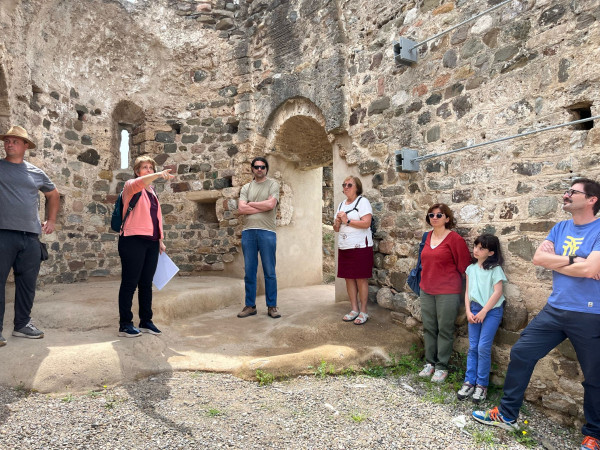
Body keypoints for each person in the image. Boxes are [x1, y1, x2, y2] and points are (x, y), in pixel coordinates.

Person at [473, 178, 600, 450]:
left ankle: (594, 435)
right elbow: (539, 260)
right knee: (521, 352)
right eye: (566, 191)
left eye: (573, 192)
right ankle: (507, 415)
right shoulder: (560, 227)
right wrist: (578, 261)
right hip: (555, 310)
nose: (565, 195)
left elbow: (591, 270)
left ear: (592, 200)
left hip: (591, 313)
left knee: (595, 376)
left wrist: (578, 264)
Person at [0, 126, 60, 345]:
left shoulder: (36, 172)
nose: (9, 144)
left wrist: (51, 220)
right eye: (7, 140)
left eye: (15, 141)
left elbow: (53, 194)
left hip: (31, 236)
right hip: (3, 234)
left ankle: (22, 325)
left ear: (26, 146)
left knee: (27, 283)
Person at [117, 155, 174, 337]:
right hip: (132, 239)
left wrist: (160, 240)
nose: (149, 170)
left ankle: (146, 321)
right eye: (145, 167)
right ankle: (125, 324)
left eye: (151, 167)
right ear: (137, 171)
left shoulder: (152, 192)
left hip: (151, 241)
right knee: (129, 283)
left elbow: (155, 218)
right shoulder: (131, 186)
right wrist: (158, 174)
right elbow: (142, 182)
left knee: (146, 284)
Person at [418, 203, 471, 382]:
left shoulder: (454, 239)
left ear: (447, 218)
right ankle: (429, 363)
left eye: (439, 215)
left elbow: (465, 268)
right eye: (431, 215)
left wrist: (468, 294)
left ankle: (442, 366)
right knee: (429, 327)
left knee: (445, 329)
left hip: (448, 291)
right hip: (426, 289)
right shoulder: (426, 236)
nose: (434, 218)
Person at [457, 234, 506, 403]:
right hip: (474, 309)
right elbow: (467, 292)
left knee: (483, 347)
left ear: (491, 253)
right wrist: (468, 311)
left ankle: (481, 385)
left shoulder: (495, 269)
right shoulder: (471, 268)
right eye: (476, 246)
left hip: (491, 311)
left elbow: (498, 292)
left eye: (481, 248)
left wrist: (484, 311)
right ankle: (469, 381)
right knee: (473, 347)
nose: (476, 250)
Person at [237, 157, 280, 319]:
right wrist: (261, 204)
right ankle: (250, 305)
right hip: (248, 232)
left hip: (267, 232)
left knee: (269, 270)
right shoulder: (246, 187)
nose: (259, 169)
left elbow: (271, 205)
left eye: (262, 167)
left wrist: (251, 204)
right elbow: (241, 208)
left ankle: (272, 306)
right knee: (249, 271)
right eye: (256, 167)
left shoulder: (273, 185)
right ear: (252, 169)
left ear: (266, 169)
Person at [333, 176, 373, 325]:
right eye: (344, 184)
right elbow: (336, 229)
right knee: (348, 278)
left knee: (361, 278)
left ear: (357, 187)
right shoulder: (341, 205)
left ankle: (364, 311)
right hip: (345, 246)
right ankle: (354, 309)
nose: (346, 187)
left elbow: (367, 223)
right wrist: (337, 223)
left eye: (350, 185)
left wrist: (347, 220)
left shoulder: (362, 202)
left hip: (361, 246)